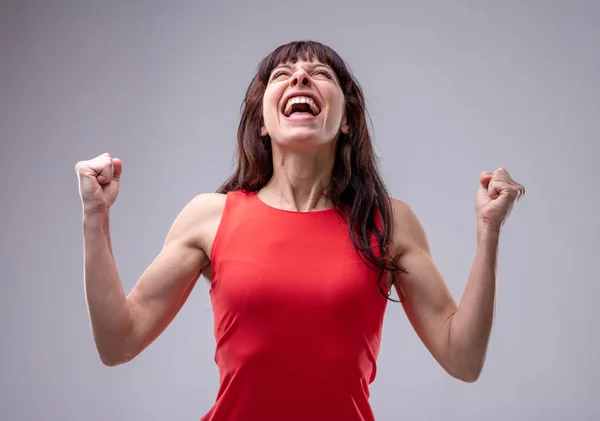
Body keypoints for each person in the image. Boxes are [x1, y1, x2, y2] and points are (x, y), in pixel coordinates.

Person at [74, 40, 525, 421]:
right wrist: (96, 218)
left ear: (346, 119)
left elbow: (462, 358)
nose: (300, 79)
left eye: (319, 72)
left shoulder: (387, 222)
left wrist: (489, 231)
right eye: (282, 74)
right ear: (263, 122)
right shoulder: (209, 216)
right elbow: (118, 341)